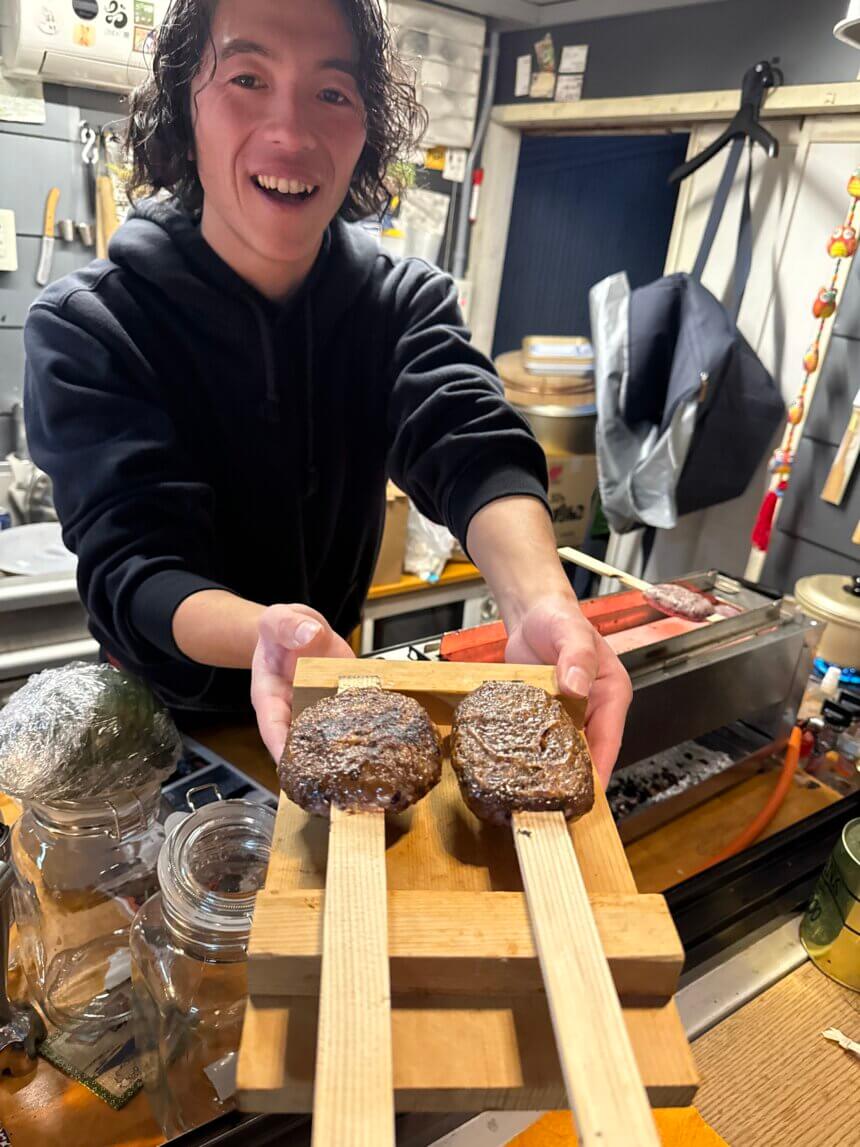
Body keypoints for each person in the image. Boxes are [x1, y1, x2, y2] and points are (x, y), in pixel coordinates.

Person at [23, 0, 631, 784]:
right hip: (160, 730)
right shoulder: (93, 325)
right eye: (248, 77)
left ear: (366, 128)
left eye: (332, 94)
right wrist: (270, 636)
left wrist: (541, 601)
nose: (293, 133)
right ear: (185, 102)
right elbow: (135, 559)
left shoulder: (402, 302)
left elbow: (468, 434)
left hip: (335, 695)